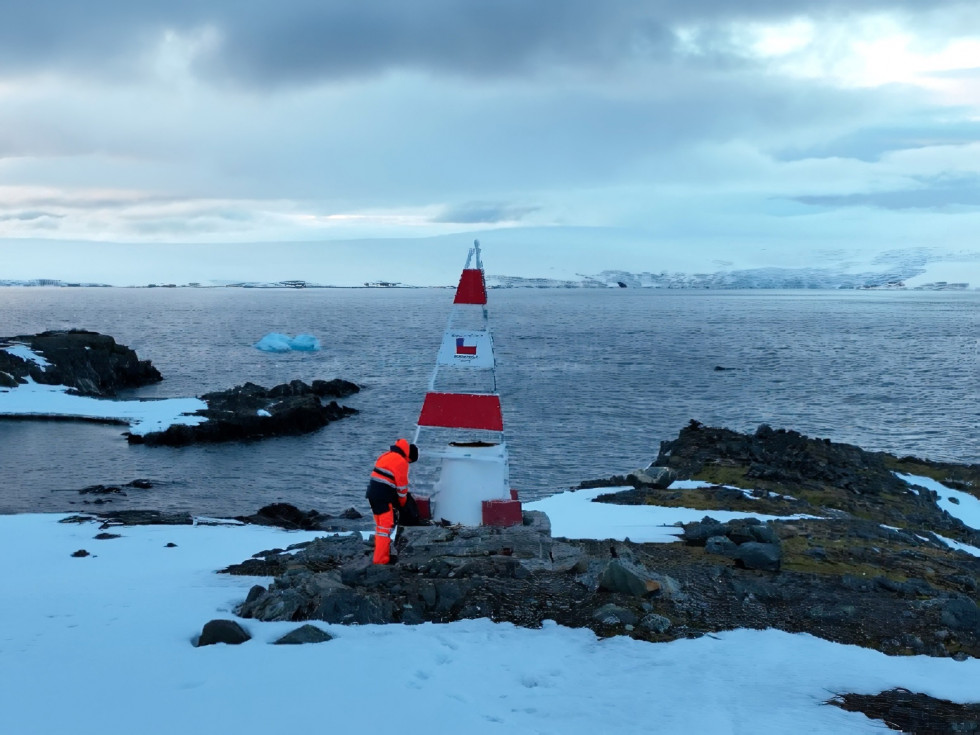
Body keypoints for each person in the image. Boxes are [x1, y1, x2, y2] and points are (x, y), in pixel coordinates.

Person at [365, 438, 418, 564]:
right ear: (408, 457)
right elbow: (402, 488)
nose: (408, 463)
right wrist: (404, 504)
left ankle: (381, 554)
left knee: (380, 526)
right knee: (385, 527)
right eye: (410, 461)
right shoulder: (401, 461)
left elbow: (383, 478)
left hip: (372, 495)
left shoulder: (385, 455)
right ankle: (381, 560)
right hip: (383, 496)